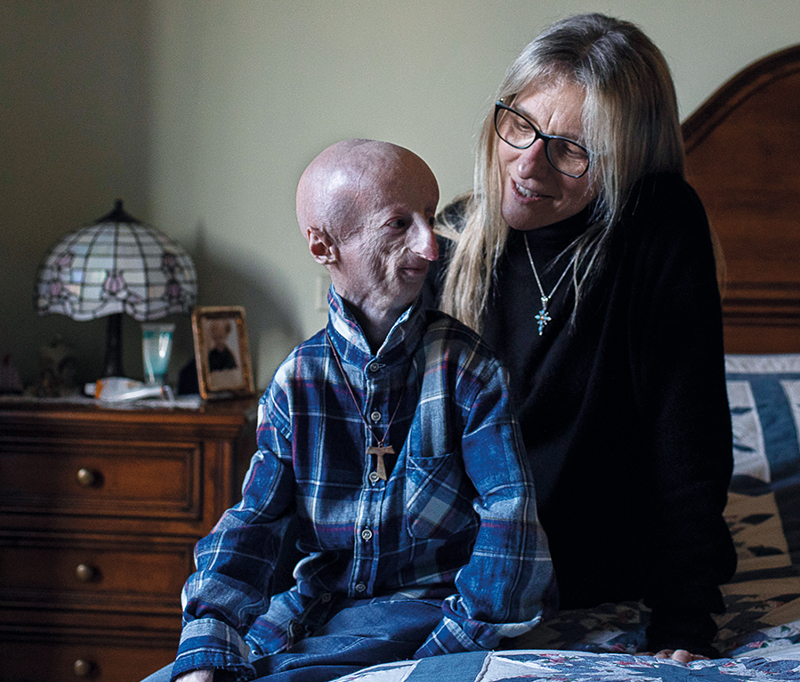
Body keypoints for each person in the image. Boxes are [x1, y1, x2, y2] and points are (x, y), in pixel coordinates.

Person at [148, 140, 555, 682]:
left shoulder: (470, 369)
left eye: (430, 219)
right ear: (323, 246)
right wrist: (208, 637)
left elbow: (512, 517)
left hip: (426, 610)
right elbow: (255, 523)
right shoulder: (296, 380)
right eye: (398, 224)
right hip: (315, 606)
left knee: (289, 674)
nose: (432, 247)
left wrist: (446, 650)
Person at [426, 13, 735, 662]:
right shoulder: (451, 235)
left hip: (593, 572)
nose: (528, 165)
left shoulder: (656, 231)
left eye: (571, 149)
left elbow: (689, 437)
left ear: (628, 164)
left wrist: (684, 622)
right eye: (520, 125)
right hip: (459, 574)